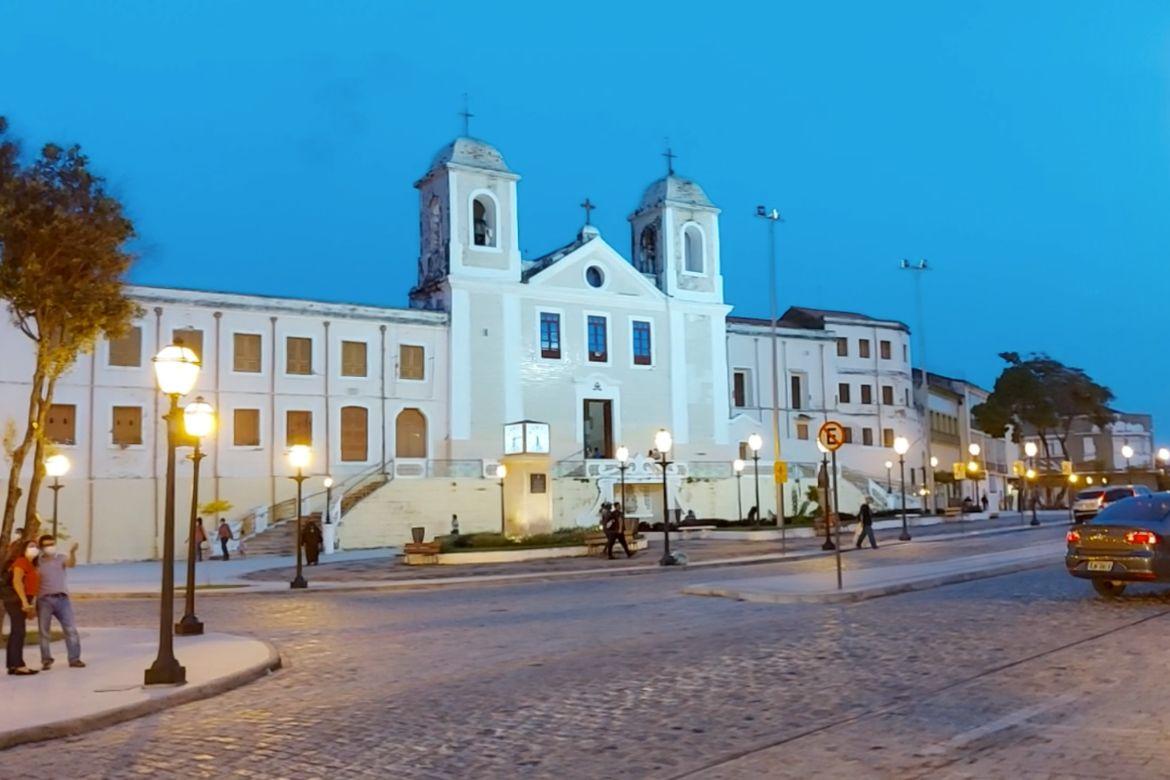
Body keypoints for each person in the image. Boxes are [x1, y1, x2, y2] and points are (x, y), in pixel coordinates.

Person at [35, 536, 84, 670]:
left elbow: (71, 564)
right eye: (46, 545)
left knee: (71, 629)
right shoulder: (38, 562)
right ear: (41, 547)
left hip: (62, 599)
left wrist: (73, 552)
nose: (50, 546)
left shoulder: (61, 558)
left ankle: (74, 659)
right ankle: (46, 660)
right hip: (44, 600)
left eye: (52, 544)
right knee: (44, 631)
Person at [2, 539, 40, 675]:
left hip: (23, 599)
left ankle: (12, 665)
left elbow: (32, 586)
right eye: (30, 546)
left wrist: (30, 604)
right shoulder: (21, 562)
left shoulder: (31, 564)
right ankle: (19, 665)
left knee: (16, 632)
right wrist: (24, 602)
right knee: (19, 632)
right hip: (17, 600)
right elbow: (17, 582)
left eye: (36, 546)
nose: (34, 548)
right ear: (23, 549)